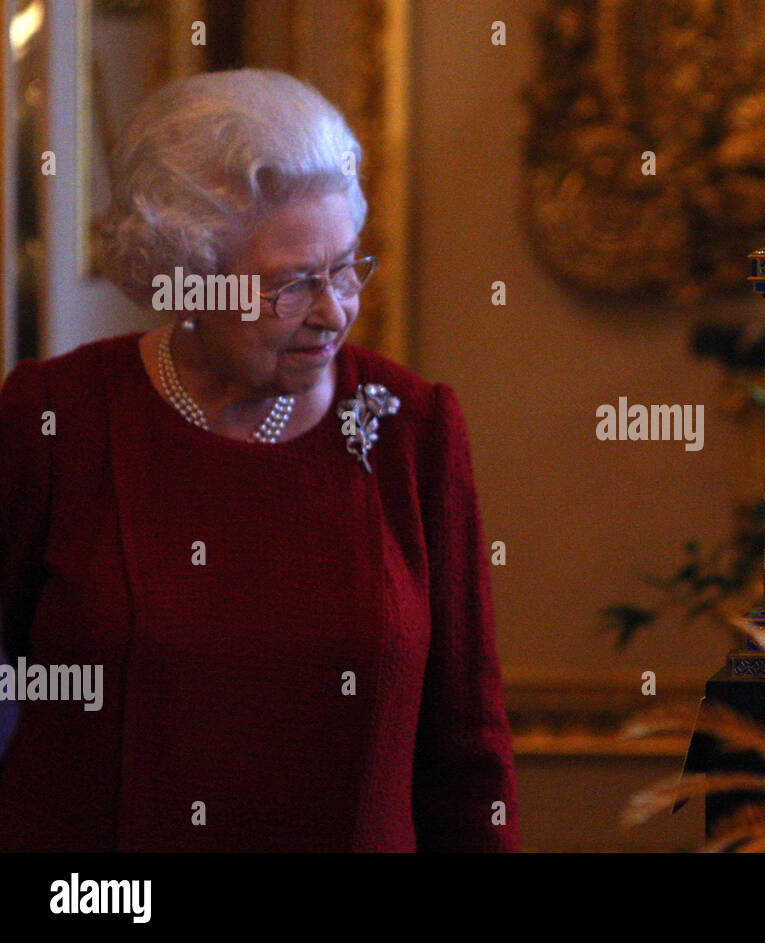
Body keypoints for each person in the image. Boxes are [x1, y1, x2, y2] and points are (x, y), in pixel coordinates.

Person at [0, 69, 518, 851]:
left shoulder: (413, 429)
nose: (336, 308)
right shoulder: (55, 419)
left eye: (346, 266)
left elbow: (470, 752)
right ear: (188, 275)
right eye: (291, 286)